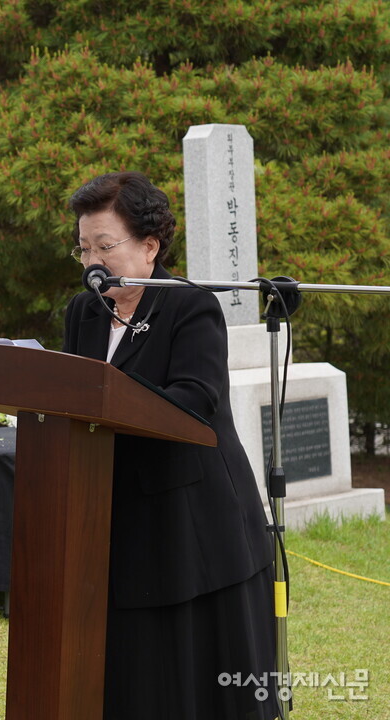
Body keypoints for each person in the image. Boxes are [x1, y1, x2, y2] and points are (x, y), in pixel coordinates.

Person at [62, 171, 280, 719]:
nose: (93, 259)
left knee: (198, 676)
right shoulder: (82, 312)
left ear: (149, 245)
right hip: (115, 512)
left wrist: (110, 401)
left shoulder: (190, 306)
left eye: (105, 246)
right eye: (83, 247)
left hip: (193, 520)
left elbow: (195, 400)